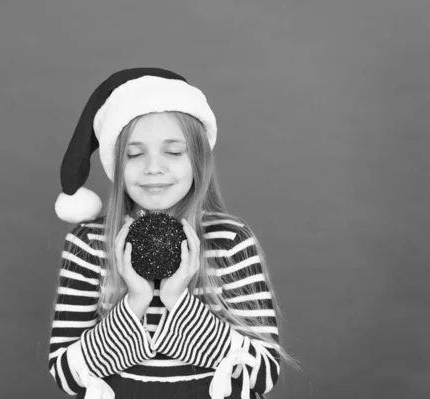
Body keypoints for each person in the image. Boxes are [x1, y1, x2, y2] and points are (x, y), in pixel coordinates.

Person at [48, 68, 298, 399]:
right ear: (117, 164)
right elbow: (67, 375)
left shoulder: (230, 241)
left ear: (198, 160)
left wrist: (178, 301)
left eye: (174, 151)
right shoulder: (89, 245)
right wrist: (134, 302)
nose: (154, 167)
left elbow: (263, 374)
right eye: (135, 154)